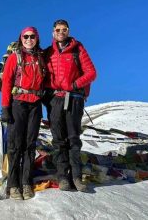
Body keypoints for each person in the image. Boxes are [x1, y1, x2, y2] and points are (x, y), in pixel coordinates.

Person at [44, 19, 97, 192]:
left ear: (68, 31)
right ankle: (63, 177)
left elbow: (91, 73)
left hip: (74, 98)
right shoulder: (48, 52)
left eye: (64, 29)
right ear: (53, 32)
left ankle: (76, 176)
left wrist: (74, 85)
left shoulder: (78, 48)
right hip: (55, 99)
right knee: (58, 139)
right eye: (58, 29)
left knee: (73, 138)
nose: (61, 32)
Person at [1, 27, 45, 200]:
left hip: (35, 104)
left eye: (32, 36)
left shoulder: (40, 58)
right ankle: (13, 185)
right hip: (18, 103)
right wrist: (5, 107)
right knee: (15, 145)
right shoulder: (15, 57)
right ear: (21, 38)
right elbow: (6, 82)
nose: (29, 39)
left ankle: (26, 183)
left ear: (37, 38)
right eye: (25, 36)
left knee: (30, 145)